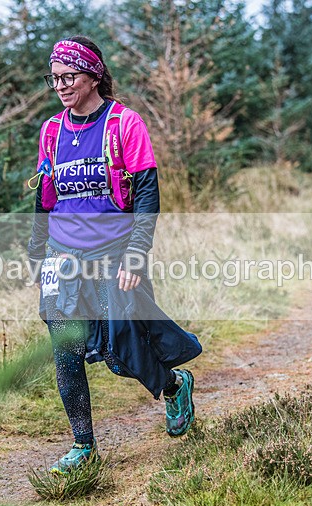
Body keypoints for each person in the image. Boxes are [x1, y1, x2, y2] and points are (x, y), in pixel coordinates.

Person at [27, 36, 202, 474]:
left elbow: (146, 192)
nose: (61, 85)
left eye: (69, 76)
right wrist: (36, 253)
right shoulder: (52, 131)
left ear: (94, 75)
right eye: (55, 78)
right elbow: (44, 197)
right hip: (61, 254)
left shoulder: (124, 123)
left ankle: (174, 384)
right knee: (65, 349)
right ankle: (83, 446)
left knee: (124, 346)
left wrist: (137, 253)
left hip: (114, 250)